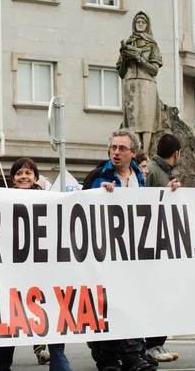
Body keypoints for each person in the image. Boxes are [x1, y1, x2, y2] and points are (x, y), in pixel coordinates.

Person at [82, 129, 156, 371]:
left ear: (133, 152)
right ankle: (109, 358)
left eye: (122, 148)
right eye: (113, 147)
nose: (116, 152)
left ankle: (130, 355)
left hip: (132, 255)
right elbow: (80, 212)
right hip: (103, 255)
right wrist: (97, 195)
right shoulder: (97, 176)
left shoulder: (140, 178)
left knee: (129, 303)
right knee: (107, 306)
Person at [0, 158, 72, 371]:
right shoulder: (3, 200)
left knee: (52, 320)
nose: (24, 176)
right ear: (13, 179)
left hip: (44, 273)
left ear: (36, 177)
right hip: (14, 273)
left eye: (28, 172)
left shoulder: (50, 200)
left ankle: (60, 365)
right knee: (10, 322)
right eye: (19, 173)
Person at [143, 134, 181, 362]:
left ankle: (153, 343)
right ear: (177, 153)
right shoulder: (156, 172)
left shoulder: (156, 170)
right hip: (154, 246)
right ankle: (153, 345)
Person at [117, 11, 163, 150]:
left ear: (147, 24)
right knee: (133, 121)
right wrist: (125, 58)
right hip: (131, 83)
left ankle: (147, 152)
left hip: (146, 83)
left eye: (143, 21)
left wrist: (139, 58)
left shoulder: (152, 45)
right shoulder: (129, 43)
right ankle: (136, 152)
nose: (140, 24)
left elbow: (154, 70)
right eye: (138, 22)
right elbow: (121, 72)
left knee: (146, 120)